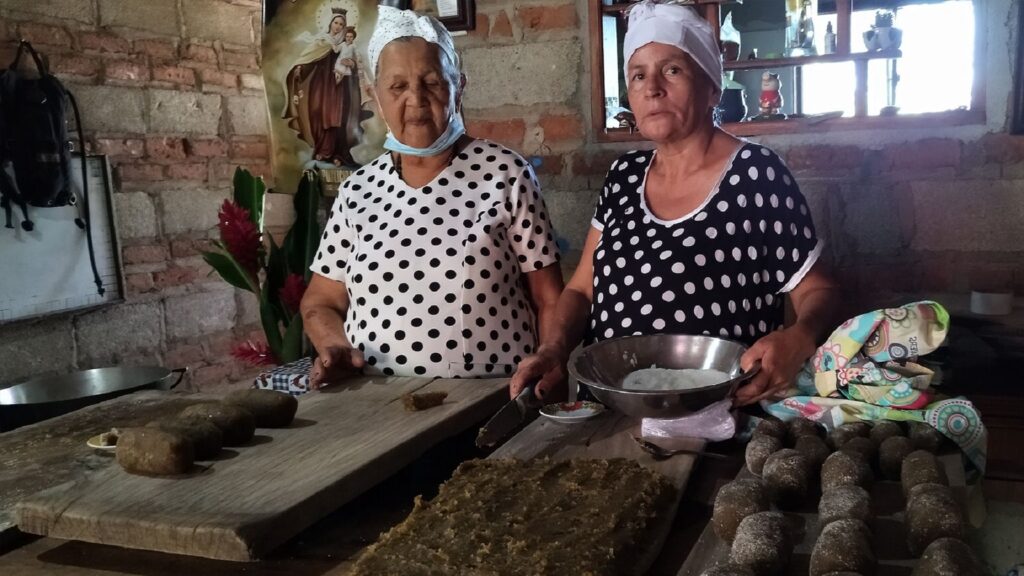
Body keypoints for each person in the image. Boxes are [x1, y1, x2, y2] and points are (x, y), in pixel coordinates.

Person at [511, 0, 840, 406]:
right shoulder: (624, 176)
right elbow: (581, 289)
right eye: (638, 75)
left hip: (721, 414)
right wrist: (554, 348)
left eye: (672, 70)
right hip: (610, 411)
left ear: (712, 87)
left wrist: (800, 336)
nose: (652, 88)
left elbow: (819, 290)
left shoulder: (757, 175)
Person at [301, 7, 564, 387]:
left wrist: (549, 367)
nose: (416, 99)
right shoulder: (357, 191)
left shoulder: (505, 173)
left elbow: (549, 298)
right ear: (374, 96)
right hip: (376, 404)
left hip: (491, 398)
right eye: (398, 87)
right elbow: (320, 301)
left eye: (432, 83)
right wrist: (333, 345)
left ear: (459, 87)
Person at [282, 9, 362, 166]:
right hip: (321, 85)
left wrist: (351, 64)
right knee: (319, 114)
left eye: (341, 24)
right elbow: (308, 59)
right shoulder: (321, 41)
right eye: (336, 22)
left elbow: (356, 63)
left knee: (337, 118)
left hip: (339, 87)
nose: (338, 26)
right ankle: (322, 150)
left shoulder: (346, 44)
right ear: (330, 23)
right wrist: (300, 68)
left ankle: (339, 154)